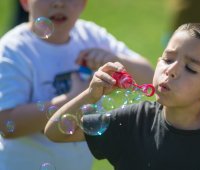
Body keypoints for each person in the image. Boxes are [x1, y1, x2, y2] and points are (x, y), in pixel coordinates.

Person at [45, 23, 200, 169]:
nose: (171, 70)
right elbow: (55, 131)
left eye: (190, 68)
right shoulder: (133, 121)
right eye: (167, 58)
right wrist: (90, 95)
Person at [0, 0, 153, 169]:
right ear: (25, 2)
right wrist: (74, 98)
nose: (58, 3)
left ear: (83, 3)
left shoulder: (90, 36)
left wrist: (115, 59)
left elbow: (149, 77)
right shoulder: (14, 49)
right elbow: (7, 123)